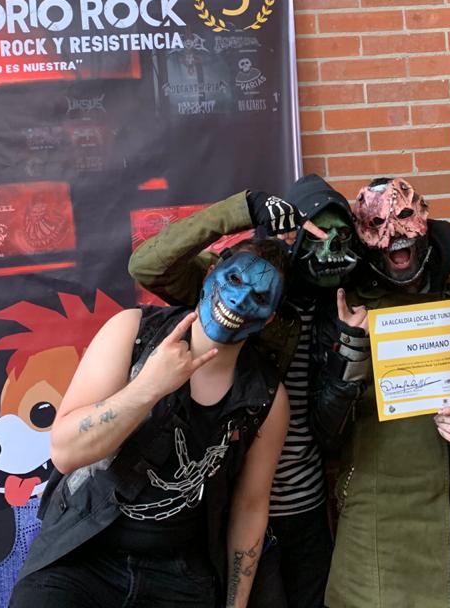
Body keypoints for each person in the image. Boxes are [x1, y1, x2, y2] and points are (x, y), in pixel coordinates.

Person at [9, 239, 291, 608]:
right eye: (234, 279)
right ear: (210, 274)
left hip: (177, 574)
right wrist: (148, 386)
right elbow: (65, 452)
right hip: (83, 552)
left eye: (259, 296)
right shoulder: (133, 331)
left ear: (269, 317)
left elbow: (250, 506)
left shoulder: (265, 397)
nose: (239, 301)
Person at [128, 176, 362, 608]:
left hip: (305, 505)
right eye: (315, 233)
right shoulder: (237, 282)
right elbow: (148, 266)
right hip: (232, 503)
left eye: (339, 237)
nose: (328, 248)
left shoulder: (343, 302)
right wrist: (242, 209)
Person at [323, 177, 450, 608]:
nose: (393, 234)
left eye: (404, 216)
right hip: (377, 527)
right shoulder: (347, 310)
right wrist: (349, 352)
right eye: (377, 225)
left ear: (424, 221)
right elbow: (325, 432)